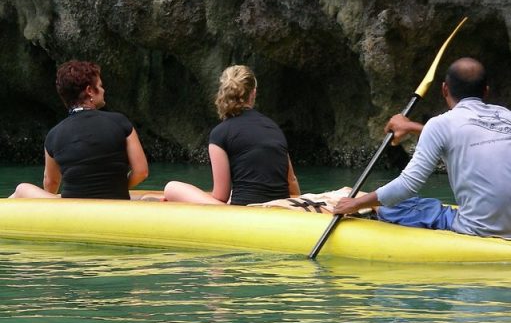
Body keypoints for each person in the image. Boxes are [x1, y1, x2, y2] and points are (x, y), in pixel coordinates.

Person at [334, 57, 511, 239]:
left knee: (392, 206)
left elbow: (407, 185)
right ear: (486, 91)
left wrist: (355, 204)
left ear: (444, 89)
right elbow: (470, 134)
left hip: (477, 228)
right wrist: (411, 127)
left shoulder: (440, 124)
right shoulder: (506, 116)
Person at [10, 60, 148, 199]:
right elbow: (141, 172)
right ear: (89, 91)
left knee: (22, 189)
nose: (103, 90)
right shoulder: (120, 121)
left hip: (75, 211)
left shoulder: (54, 135)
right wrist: (117, 187)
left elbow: (51, 182)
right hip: (116, 204)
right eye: (100, 86)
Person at [164, 65, 300, 205]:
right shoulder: (273, 128)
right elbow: (291, 180)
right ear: (253, 93)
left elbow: (221, 196)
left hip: (244, 210)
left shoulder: (220, 133)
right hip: (280, 206)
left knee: (171, 187)